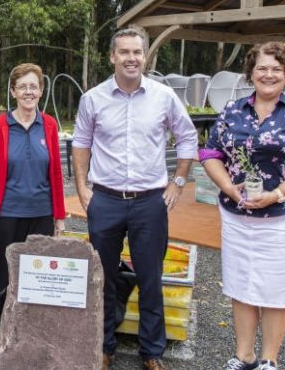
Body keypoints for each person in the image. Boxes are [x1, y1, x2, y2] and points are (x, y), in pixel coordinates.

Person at [72, 28, 198, 370]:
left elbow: (188, 137)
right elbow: (80, 144)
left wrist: (179, 182)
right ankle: (103, 346)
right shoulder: (93, 99)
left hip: (149, 202)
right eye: (124, 52)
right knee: (102, 278)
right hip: (106, 200)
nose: (131, 58)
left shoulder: (163, 97)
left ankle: (151, 352)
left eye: (137, 52)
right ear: (112, 56)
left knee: (150, 277)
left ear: (145, 57)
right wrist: (82, 189)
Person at [199, 42, 285, 370]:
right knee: (241, 285)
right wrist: (229, 187)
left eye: (276, 69)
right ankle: (243, 356)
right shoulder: (233, 111)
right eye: (262, 68)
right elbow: (210, 154)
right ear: (251, 72)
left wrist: (277, 194)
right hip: (238, 216)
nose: (268, 75)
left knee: (276, 288)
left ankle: (269, 360)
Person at [0, 63, 66, 355]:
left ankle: (30, 339)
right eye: (23, 86)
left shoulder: (50, 125)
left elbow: (55, 173)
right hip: (7, 216)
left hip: (41, 215)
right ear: (13, 91)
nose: (29, 91)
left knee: (37, 280)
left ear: (41, 91)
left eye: (34, 86)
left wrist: (60, 217)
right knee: (5, 278)